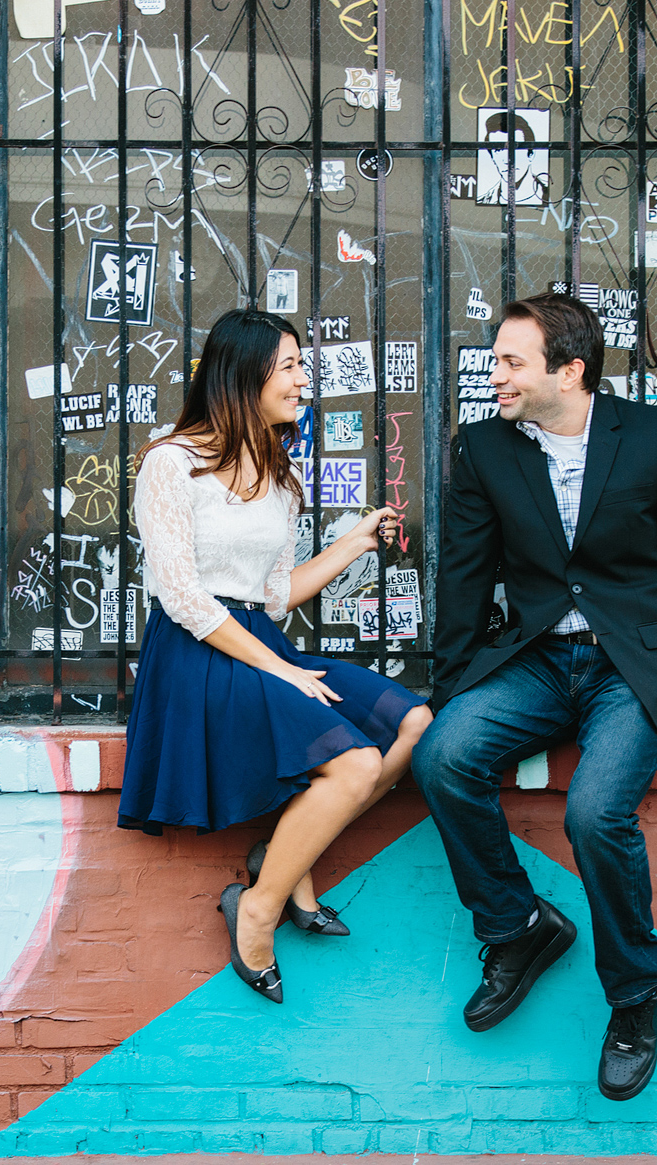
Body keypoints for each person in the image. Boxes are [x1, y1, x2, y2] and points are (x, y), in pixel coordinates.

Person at [411, 291, 657, 1100]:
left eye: (510, 361)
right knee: (444, 756)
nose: (494, 374)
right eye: (495, 358)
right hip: (533, 659)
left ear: (570, 370)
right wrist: (450, 695)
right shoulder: (486, 449)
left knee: (595, 813)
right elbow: (463, 578)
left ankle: (635, 997)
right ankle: (517, 926)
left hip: (631, 668)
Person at [119, 308, 433, 1004]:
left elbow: (275, 595)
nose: (302, 379)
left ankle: (278, 860)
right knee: (353, 763)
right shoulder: (170, 464)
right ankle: (257, 909)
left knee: (413, 725)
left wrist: (353, 541)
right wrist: (280, 667)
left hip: (260, 639)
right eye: (289, 365)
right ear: (245, 374)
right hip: (196, 654)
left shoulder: (280, 476)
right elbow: (182, 597)